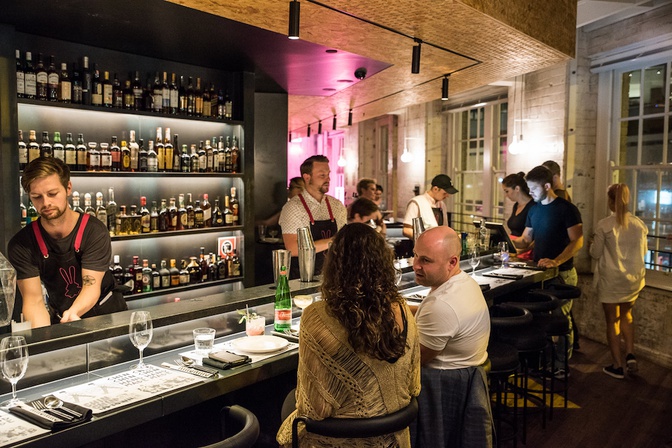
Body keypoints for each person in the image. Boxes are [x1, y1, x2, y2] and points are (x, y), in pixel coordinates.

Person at [277, 223, 421, 447]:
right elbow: (413, 386)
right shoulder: (402, 309)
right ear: (384, 262)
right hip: (393, 437)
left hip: (337, 439)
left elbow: (313, 408)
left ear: (333, 265)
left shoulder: (316, 316)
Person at [8, 157, 127, 328]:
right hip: (62, 317)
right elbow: (33, 301)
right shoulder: (22, 244)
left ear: (68, 188)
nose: (46, 203)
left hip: (108, 316)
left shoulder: (93, 231)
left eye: (52, 194)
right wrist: (43, 338)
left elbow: (90, 287)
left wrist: (73, 313)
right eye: (37, 197)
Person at [410, 226, 493, 447]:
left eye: (425, 260)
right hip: (468, 375)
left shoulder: (442, 305)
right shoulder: (462, 281)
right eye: (415, 255)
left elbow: (414, 361)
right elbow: (431, 314)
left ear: (452, 262)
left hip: (441, 386)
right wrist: (397, 307)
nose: (415, 265)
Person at [515, 165, 583, 376]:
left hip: (562, 273)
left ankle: (561, 364)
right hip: (540, 274)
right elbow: (526, 240)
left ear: (546, 186)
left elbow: (577, 241)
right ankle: (544, 361)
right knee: (540, 318)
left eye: (534, 189)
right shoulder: (534, 210)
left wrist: (556, 261)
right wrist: (505, 240)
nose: (531, 193)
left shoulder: (567, 209)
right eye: (529, 188)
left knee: (561, 318)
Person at [590, 184, 647, 379]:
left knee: (612, 321)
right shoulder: (639, 224)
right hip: (633, 280)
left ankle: (617, 366)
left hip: (611, 280)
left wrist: (591, 245)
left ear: (610, 201)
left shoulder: (604, 225)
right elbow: (643, 252)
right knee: (627, 315)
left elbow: (595, 253)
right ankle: (630, 354)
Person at [278, 155, 347, 275]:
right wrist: (333, 241)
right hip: (304, 276)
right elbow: (292, 248)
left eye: (328, 174)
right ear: (307, 177)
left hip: (334, 273)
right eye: (322, 175)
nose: (328, 179)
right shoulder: (293, 207)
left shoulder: (336, 205)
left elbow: (344, 240)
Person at [402, 174, 458, 239]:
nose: (447, 196)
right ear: (435, 189)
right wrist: (424, 239)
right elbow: (406, 230)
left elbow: (444, 229)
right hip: (422, 244)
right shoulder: (417, 203)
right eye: (445, 193)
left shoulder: (442, 205)